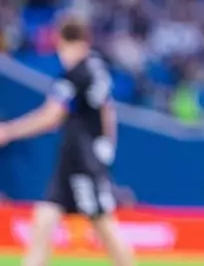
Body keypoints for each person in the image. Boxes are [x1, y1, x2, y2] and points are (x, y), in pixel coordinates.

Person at [0, 13, 135, 266]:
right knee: (43, 220)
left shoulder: (75, 74)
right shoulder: (97, 67)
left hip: (82, 160)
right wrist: (108, 144)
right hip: (74, 159)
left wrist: (9, 131)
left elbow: (51, 116)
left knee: (103, 223)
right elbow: (108, 111)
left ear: (59, 40)